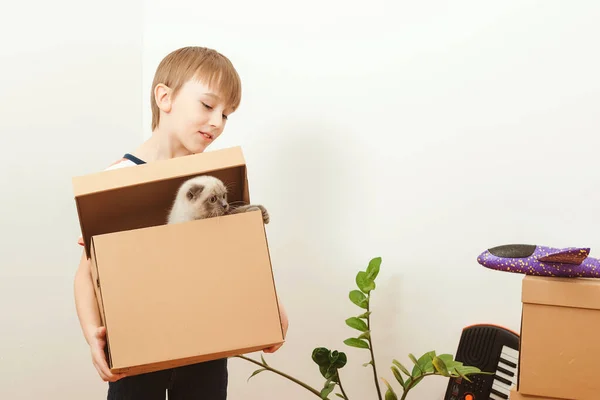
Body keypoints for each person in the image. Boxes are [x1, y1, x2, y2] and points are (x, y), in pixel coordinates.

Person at [73, 46, 289, 399]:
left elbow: (235, 255)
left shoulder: (212, 183)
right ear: (165, 97)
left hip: (206, 354)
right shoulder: (117, 179)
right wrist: (92, 334)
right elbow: (86, 273)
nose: (217, 122)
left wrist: (271, 304)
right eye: (207, 106)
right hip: (138, 355)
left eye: (226, 114)